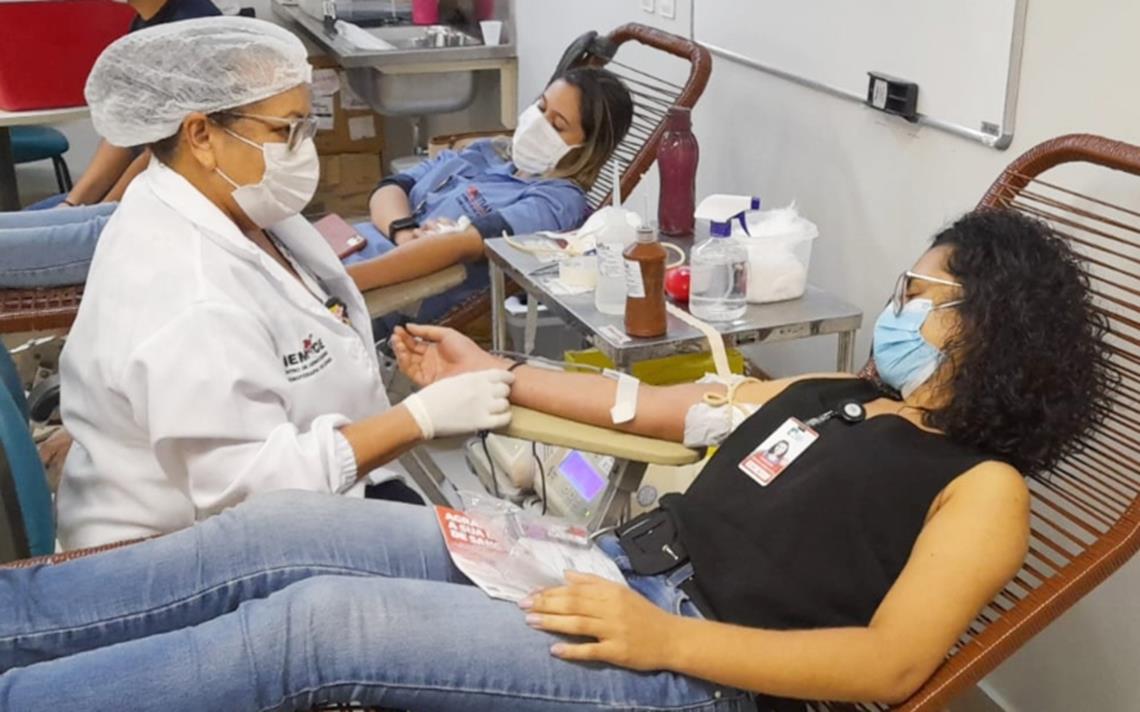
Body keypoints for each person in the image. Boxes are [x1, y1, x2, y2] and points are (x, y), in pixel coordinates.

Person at [0, 209, 1113, 710]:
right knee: (283, 533)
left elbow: (888, 667)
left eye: (923, 291)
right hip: (598, 567)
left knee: (317, 625)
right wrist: (495, 369)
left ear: (993, 325)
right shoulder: (834, 395)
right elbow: (651, 409)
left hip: (692, 668)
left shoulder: (984, 491)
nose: (898, 304)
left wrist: (666, 638)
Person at [54, 17, 515, 550]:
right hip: (189, 553)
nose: (302, 149)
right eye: (285, 131)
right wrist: (419, 418)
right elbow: (250, 492)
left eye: (306, 127)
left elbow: (301, 314)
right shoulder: (190, 292)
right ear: (201, 135)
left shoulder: (239, 206)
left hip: (311, 493)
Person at [343, 65, 634, 324]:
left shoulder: (556, 202)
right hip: (349, 249)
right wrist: (404, 232)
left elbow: (460, 245)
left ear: (586, 149)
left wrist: (342, 282)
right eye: (541, 107)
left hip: (370, 290)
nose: (538, 124)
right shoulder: (487, 153)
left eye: (557, 125)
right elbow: (391, 187)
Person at [0, 0, 221, 289]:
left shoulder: (192, 28)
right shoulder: (146, 24)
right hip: (138, 199)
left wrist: (100, 212)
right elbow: (126, 134)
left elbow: (165, 153)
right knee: (28, 220)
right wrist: (73, 205)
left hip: (167, 217)